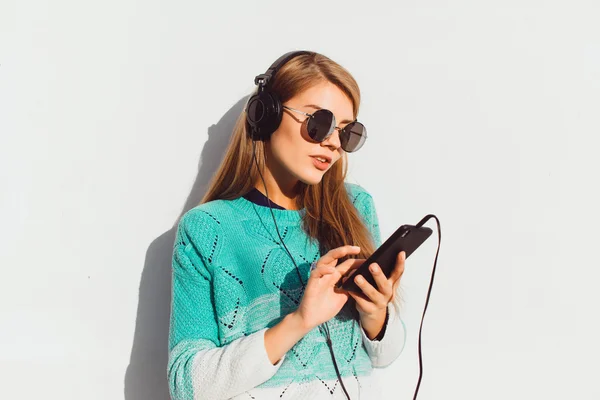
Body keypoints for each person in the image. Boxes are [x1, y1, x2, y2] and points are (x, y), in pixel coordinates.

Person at [167, 51, 408, 400]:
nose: (332, 143)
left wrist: (377, 315)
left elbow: (385, 356)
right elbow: (184, 385)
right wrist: (299, 321)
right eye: (318, 123)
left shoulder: (355, 208)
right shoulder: (207, 229)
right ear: (266, 115)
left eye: (347, 132)